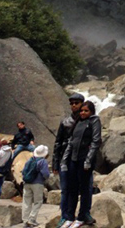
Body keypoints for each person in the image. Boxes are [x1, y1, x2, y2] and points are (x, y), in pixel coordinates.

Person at [61, 100, 101, 228]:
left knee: (84, 189)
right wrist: (64, 160)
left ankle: (82, 216)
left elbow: (95, 142)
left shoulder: (94, 121)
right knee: (72, 188)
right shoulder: (78, 122)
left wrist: (88, 160)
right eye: (82, 110)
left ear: (91, 112)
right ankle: (69, 216)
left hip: (85, 160)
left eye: (86, 111)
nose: (83, 112)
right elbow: (71, 142)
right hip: (74, 159)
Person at [53, 93, 84, 228]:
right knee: (65, 189)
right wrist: (55, 162)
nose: (73, 105)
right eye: (71, 103)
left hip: (80, 160)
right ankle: (64, 216)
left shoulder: (87, 122)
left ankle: (80, 214)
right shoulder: (65, 122)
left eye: (76, 103)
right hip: (65, 160)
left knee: (80, 189)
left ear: (82, 103)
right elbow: (58, 143)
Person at [21, 144, 50, 228]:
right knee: (38, 202)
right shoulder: (43, 161)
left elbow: (23, 172)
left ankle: (25, 221)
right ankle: (32, 219)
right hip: (38, 183)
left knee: (26, 202)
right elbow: (45, 174)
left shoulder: (30, 160)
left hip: (27, 183)